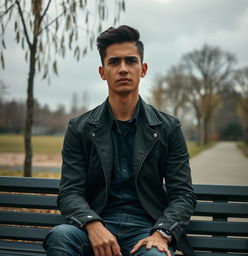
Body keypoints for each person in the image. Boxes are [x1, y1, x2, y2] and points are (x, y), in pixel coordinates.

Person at [43, 25, 196, 256]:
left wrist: (162, 233)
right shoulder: (79, 128)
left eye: (131, 61)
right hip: (95, 226)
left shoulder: (168, 128)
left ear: (143, 69)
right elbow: (69, 192)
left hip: (147, 230)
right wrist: (92, 225)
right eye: (114, 62)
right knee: (61, 236)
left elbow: (183, 194)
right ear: (102, 72)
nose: (123, 69)